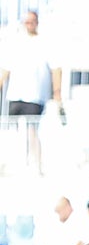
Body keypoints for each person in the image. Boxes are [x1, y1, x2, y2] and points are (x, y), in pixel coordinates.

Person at [0, 10, 63, 172]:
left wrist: (57, 92)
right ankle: (11, 163)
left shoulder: (45, 42)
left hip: (35, 95)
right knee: (12, 129)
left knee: (32, 129)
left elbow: (56, 68)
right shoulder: (16, 42)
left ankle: (36, 165)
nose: (29, 25)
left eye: (32, 22)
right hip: (16, 93)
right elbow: (6, 68)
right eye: (26, 22)